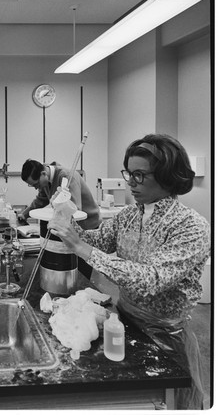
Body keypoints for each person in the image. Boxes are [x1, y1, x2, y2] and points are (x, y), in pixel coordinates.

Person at [48, 134, 210, 410]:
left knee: (168, 401)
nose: (130, 182)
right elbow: (97, 240)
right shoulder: (130, 215)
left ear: (167, 175)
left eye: (139, 175)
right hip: (125, 322)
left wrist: (80, 248)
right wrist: (65, 214)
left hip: (166, 336)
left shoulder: (190, 226)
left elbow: (150, 280)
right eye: (129, 173)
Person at [18, 159, 101, 230]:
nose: (36, 188)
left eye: (37, 184)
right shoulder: (45, 180)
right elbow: (41, 200)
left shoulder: (67, 177)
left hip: (88, 225)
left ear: (43, 174)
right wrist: (24, 214)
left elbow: (74, 210)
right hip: (73, 226)